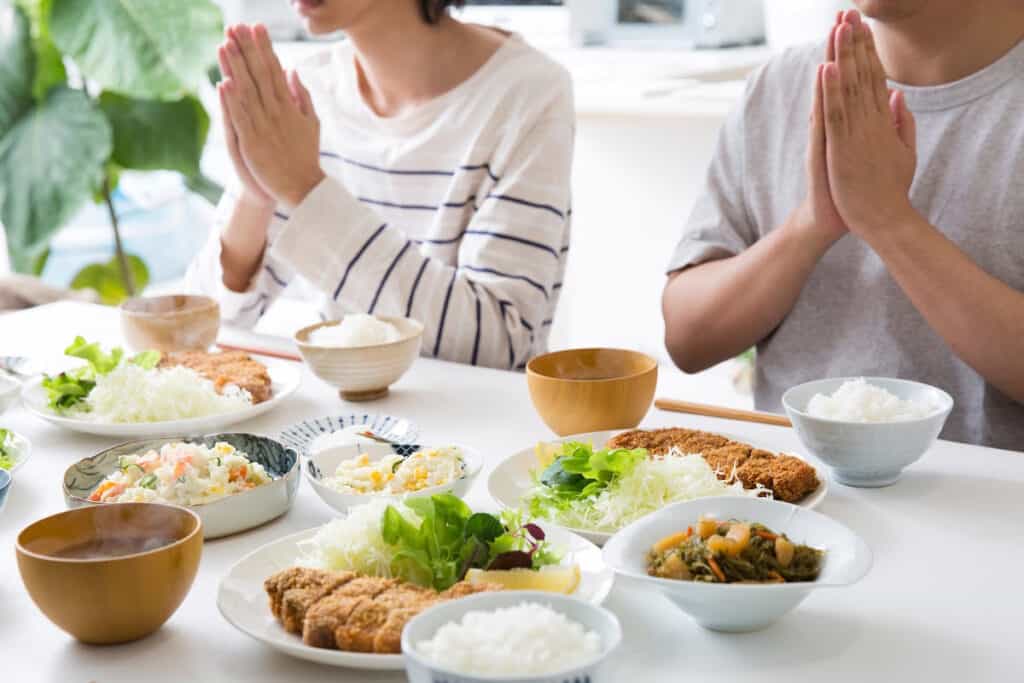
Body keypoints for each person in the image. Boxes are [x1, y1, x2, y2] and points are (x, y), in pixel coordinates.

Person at [662, 2, 1024, 448]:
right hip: (795, 508)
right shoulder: (780, 86)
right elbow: (688, 339)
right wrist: (810, 225)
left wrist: (888, 221)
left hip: (995, 512)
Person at [186, 0, 574, 370]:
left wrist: (305, 191)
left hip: (477, 429)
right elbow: (197, 327)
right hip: (344, 426)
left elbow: (497, 345)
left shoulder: (528, 93)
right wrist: (256, 197)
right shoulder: (308, 90)